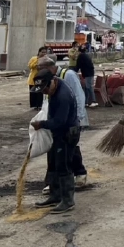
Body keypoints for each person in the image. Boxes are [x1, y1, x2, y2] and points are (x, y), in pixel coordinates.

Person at [32, 66, 80, 214]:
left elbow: (59, 121)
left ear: (52, 82)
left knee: (64, 166)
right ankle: (55, 195)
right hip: (57, 133)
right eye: (42, 90)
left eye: (45, 89)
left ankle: (67, 200)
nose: (45, 92)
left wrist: (42, 124)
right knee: (53, 164)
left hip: (67, 133)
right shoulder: (55, 84)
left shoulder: (62, 96)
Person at [40, 57, 89, 194]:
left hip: (70, 121)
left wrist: (77, 119)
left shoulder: (68, 75)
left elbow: (79, 97)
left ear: (49, 67)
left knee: (69, 149)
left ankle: (79, 174)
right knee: (55, 150)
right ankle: (53, 183)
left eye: (40, 68)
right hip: (56, 120)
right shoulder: (47, 80)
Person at [75, 43, 98, 108]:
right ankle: (86, 102)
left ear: (79, 51)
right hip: (90, 72)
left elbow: (78, 66)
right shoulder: (86, 55)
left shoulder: (80, 56)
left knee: (89, 87)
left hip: (88, 73)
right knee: (87, 87)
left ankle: (94, 101)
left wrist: (74, 72)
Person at [27, 46, 49, 110]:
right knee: (33, 92)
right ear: (39, 52)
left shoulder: (47, 59)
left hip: (41, 78)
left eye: (45, 52)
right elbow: (30, 66)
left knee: (40, 92)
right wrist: (37, 61)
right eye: (42, 52)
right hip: (33, 78)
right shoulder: (34, 58)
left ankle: (39, 105)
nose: (44, 54)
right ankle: (34, 106)